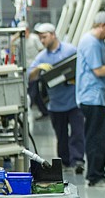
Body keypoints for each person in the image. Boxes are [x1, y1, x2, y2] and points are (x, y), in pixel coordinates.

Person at [28, 23, 85, 174]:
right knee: (61, 136)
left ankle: (78, 161)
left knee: (78, 133)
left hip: (74, 101)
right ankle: (65, 162)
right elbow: (30, 76)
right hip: (56, 104)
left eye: (44, 37)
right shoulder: (42, 57)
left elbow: (82, 68)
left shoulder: (70, 50)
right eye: (40, 38)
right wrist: (38, 69)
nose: (42, 41)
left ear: (53, 34)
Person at [76, 11, 105, 187]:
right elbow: (99, 70)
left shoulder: (99, 42)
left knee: (104, 137)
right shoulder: (91, 43)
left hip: (100, 97)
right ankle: (94, 177)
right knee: (97, 138)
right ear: (102, 25)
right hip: (92, 98)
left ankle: (98, 173)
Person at [11, 21, 48, 119]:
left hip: (35, 68)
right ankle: (44, 111)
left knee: (32, 90)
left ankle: (27, 111)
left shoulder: (34, 39)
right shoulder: (20, 40)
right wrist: (17, 35)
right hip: (25, 69)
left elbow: (41, 50)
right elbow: (11, 43)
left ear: (28, 30)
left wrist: (40, 66)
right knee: (34, 92)